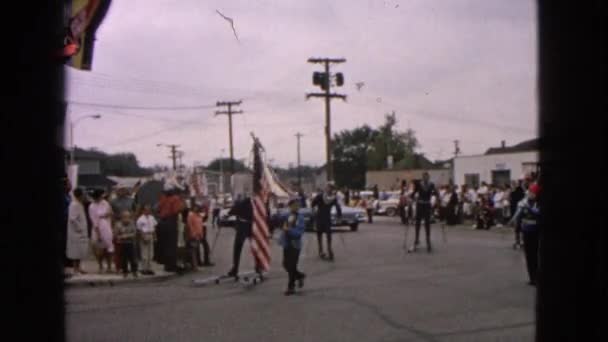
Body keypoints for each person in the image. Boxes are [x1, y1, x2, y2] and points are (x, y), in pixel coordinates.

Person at [508, 183, 540, 286]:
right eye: (529, 192)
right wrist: (513, 221)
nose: (529, 193)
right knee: (529, 256)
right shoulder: (524, 203)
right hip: (526, 231)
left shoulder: (538, 203)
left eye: (532, 192)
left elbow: (538, 213)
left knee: (536, 256)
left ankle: (537, 277)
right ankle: (532, 278)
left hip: (535, 232)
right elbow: (518, 214)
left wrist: (529, 209)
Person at [280, 199, 307, 296]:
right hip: (287, 244)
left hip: (295, 244)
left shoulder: (300, 218)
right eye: (294, 205)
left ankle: (291, 287)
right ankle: (299, 276)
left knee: (292, 265)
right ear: (290, 206)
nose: (296, 207)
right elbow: (281, 224)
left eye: (297, 205)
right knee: (285, 264)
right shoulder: (287, 216)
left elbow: (299, 232)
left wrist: (289, 231)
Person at [157, 183, 186, 273]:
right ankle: (171, 265)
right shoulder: (175, 199)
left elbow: (158, 208)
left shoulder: (162, 198)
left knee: (165, 244)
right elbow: (177, 210)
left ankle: (166, 264)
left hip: (162, 222)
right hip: (171, 221)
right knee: (172, 244)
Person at [311, 182, 342, 261]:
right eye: (329, 187)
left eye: (331, 188)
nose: (330, 189)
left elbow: (338, 206)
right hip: (320, 217)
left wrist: (339, 216)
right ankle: (321, 250)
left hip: (326, 218)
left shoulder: (333, 198)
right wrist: (313, 211)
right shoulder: (320, 196)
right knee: (319, 234)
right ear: (326, 188)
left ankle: (329, 249)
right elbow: (313, 204)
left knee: (328, 234)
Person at [409, 172, 438, 253]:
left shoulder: (431, 184)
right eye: (424, 177)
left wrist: (436, 194)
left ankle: (428, 241)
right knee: (417, 222)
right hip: (420, 205)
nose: (425, 178)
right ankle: (416, 239)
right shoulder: (419, 184)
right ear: (422, 177)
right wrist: (411, 198)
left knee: (427, 223)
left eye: (427, 177)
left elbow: (435, 193)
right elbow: (414, 192)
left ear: (429, 177)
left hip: (427, 205)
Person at [226, 196, 254, 277]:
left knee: (237, 248)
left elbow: (232, 211)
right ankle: (259, 266)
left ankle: (235, 269)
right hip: (252, 226)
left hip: (242, 227)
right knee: (255, 248)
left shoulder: (240, 204)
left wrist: (227, 215)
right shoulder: (254, 205)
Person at [88, 189, 114, 273]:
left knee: (109, 247)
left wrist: (107, 215)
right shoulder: (92, 206)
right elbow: (94, 220)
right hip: (98, 227)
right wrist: (98, 233)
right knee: (99, 248)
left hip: (107, 226)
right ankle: (100, 265)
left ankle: (109, 266)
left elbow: (110, 212)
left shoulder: (105, 203)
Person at [66, 188, 89, 275]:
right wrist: (79, 228)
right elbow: (73, 218)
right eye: (83, 194)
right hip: (76, 232)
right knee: (76, 251)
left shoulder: (80, 204)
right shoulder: (74, 204)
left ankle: (79, 268)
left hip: (81, 231)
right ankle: (75, 269)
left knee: (80, 250)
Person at [115, 211, 138, 278]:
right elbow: (116, 235)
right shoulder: (118, 224)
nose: (126, 219)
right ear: (121, 218)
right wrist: (121, 237)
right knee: (124, 259)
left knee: (133, 258)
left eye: (128, 217)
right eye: (124, 217)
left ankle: (134, 271)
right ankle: (125, 272)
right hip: (122, 244)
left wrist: (126, 236)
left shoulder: (132, 223)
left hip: (130, 243)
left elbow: (134, 233)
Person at [136, 204, 157, 275]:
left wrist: (155, 236)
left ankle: (150, 268)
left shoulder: (152, 218)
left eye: (149, 209)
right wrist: (143, 237)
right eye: (146, 209)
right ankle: (144, 269)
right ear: (143, 210)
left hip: (150, 234)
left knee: (151, 253)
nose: (148, 211)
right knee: (144, 253)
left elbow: (154, 227)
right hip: (145, 235)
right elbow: (139, 230)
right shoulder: (140, 219)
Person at [510, 180, 526, 249]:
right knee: (519, 229)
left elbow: (512, 201)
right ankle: (520, 242)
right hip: (519, 211)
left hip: (518, 211)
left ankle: (518, 242)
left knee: (517, 229)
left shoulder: (516, 192)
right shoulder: (522, 191)